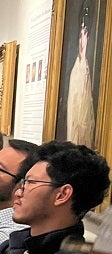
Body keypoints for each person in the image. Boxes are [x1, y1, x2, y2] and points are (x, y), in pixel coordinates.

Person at [66, 3, 95, 147]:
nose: (82, 39)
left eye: (85, 34)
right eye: (80, 34)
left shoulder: (86, 68)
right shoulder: (76, 68)